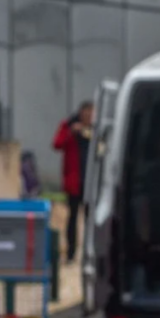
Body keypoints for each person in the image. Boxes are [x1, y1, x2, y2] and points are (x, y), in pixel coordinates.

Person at [52, 101, 94, 263]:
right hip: (75, 182)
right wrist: (71, 132)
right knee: (73, 218)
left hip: (91, 182)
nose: (89, 117)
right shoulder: (69, 126)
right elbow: (57, 144)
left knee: (91, 220)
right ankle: (71, 253)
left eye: (91, 114)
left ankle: (89, 253)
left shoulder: (96, 129)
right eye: (86, 113)